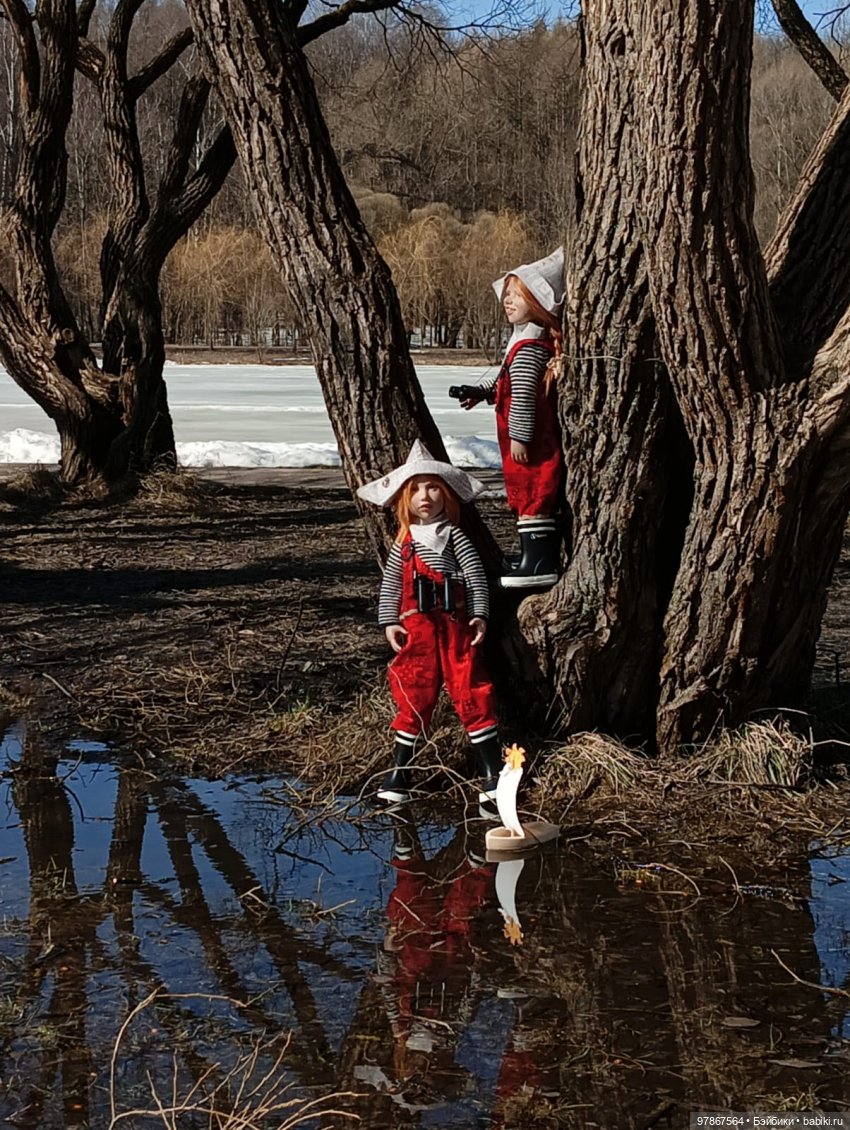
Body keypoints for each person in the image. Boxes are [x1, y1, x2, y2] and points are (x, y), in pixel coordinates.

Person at [357, 440, 503, 805]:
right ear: (405, 499)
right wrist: (389, 620)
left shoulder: (454, 536)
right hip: (417, 631)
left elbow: (475, 577)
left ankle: (492, 772)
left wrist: (479, 614)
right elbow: (392, 584)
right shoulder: (404, 543)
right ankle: (399, 773)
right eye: (416, 489)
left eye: (434, 487)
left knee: (469, 687)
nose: (425, 496)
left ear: (446, 495)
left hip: (455, 627)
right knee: (413, 691)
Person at [460, 246, 566, 589]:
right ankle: (531, 557)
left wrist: (520, 436)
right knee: (527, 492)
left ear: (537, 302)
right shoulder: (524, 345)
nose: (507, 301)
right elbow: (506, 384)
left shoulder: (529, 350)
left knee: (533, 492)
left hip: (528, 443)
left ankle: (538, 562)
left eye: (517, 295)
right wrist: (482, 392)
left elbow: (522, 397)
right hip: (522, 440)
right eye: (506, 294)